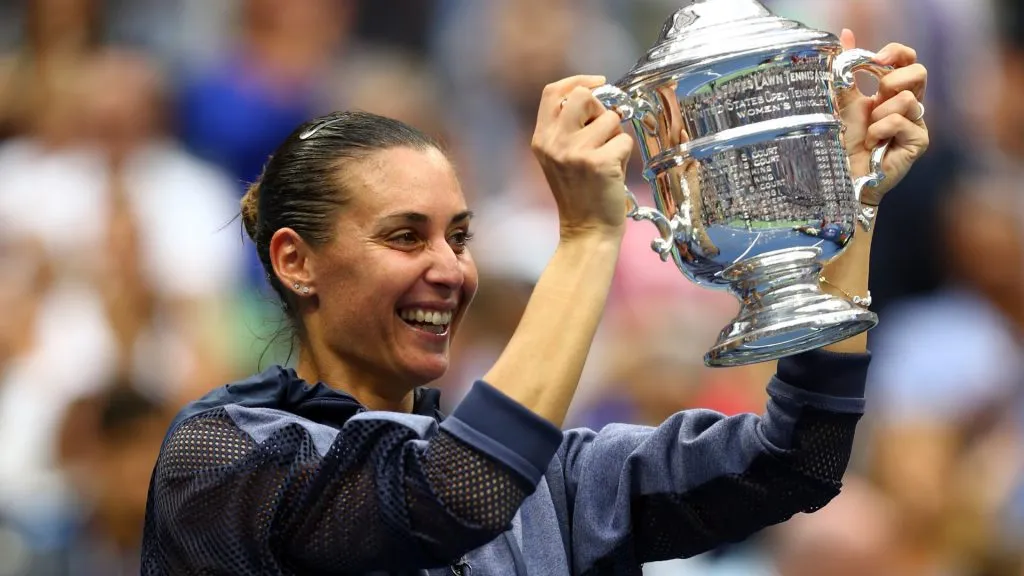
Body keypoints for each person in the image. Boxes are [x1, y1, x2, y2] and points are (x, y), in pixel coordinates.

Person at [141, 32, 929, 575]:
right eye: (405, 237)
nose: (451, 270)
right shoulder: (221, 455)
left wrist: (844, 204)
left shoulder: (558, 482)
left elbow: (801, 461)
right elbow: (449, 494)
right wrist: (588, 233)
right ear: (295, 261)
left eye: (459, 235)